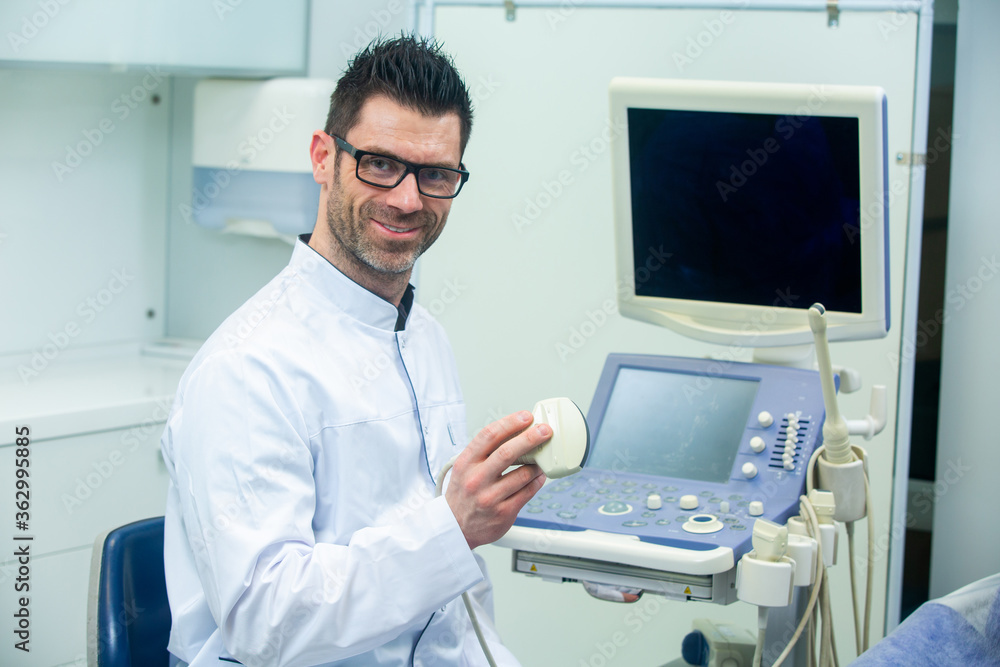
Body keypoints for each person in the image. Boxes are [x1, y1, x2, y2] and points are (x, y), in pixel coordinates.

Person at [161, 35, 551, 667]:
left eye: (436, 174)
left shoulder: (423, 335)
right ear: (323, 157)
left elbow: (455, 608)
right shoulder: (247, 368)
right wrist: (451, 528)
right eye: (378, 162)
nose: (407, 198)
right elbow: (267, 624)